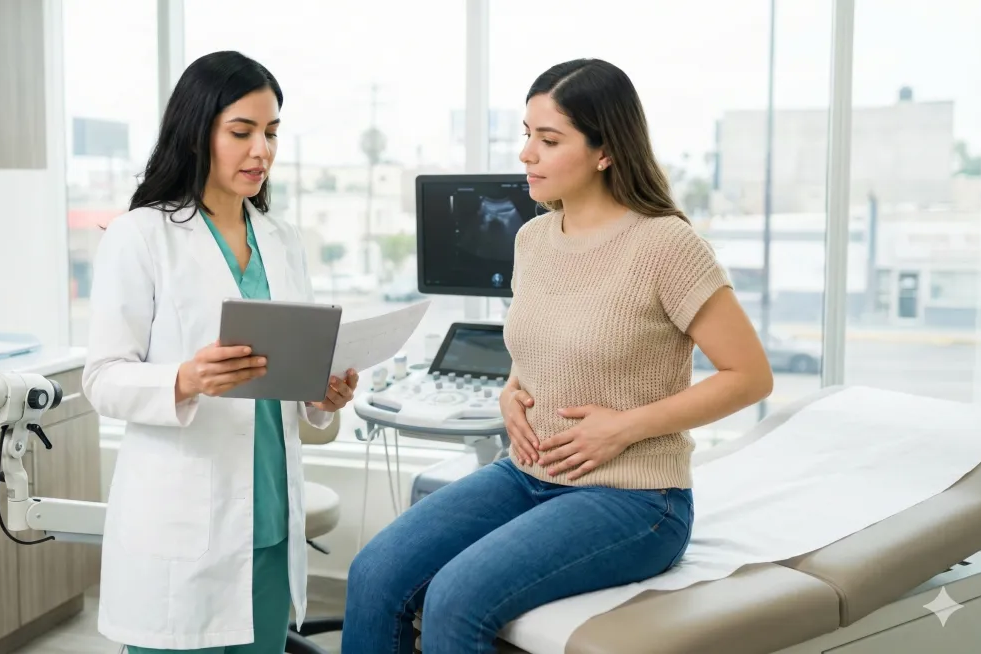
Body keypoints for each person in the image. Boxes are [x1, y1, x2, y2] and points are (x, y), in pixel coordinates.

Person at [341, 58, 774, 653]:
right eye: (526, 135)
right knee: (373, 573)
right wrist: (510, 390)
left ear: (604, 151)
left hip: (635, 499)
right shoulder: (534, 238)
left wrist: (622, 429)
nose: (526, 154)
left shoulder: (667, 244)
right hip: (524, 475)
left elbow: (749, 376)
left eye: (548, 140)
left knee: (454, 600)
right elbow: (542, 340)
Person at [82, 51, 359, 653]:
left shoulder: (282, 241)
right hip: (182, 524)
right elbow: (101, 378)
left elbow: (296, 380)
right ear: (196, 132)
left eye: (272, 133)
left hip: (268, 518)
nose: (262, 150)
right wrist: (182, 379)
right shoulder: (142, 236)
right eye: (242, 132)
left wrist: (322, 394)